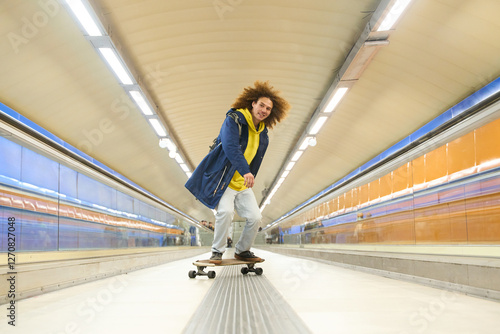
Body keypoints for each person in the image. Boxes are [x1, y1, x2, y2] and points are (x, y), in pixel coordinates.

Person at [185, 81, 290, 264]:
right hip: (225, 180)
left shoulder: (262, 133)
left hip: (241, 182)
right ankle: (217, 251)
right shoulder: (234, 120)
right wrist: (245, 171)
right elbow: (230, 147)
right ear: (252, 104)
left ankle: (242, 250)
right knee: (225, 212)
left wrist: (249, 175)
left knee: (255, 217)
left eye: (268, 108)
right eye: (261, 105)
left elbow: (256, 159)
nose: (264, 110)